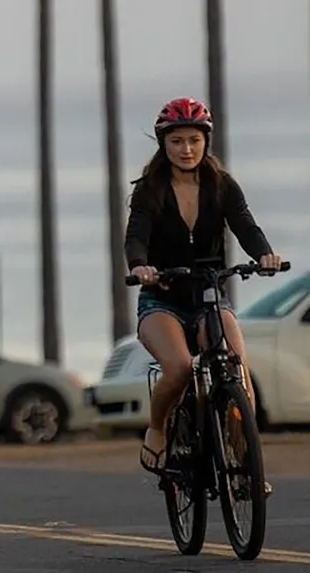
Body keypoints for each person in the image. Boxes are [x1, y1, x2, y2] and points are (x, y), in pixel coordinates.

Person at [125, 97, 283, 495]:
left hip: (211, 296)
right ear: (164, 143)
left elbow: (245, 225)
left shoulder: (221, 185)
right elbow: (136, 236)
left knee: (237, 371)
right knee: (178, 367)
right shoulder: (150, 190)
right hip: (161, 299)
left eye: (194, 140)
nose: (187, 149)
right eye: (177, 140)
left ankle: (244, 464)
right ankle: (159, 429)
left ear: (205, 141)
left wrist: (263, 254)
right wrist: (141, 265)